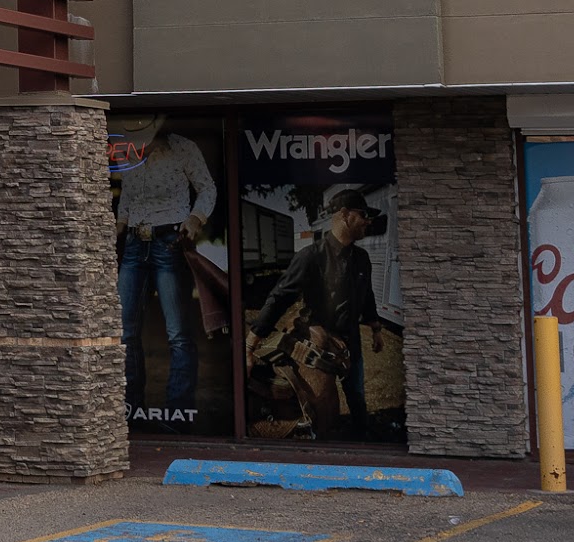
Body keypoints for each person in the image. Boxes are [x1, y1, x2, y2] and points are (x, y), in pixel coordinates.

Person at [245, 187, 386, 437]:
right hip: (318, 348)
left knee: (357, 395)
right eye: (363, 214)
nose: (368, 221)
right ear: (345, 214)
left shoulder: (362, 258)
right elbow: (280, 297)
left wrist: (376, 329)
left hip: (352, 342)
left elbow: (367, 296)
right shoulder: (310, 256)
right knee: (322, 407)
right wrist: (250, 344)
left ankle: (362, 435)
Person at [114, 115, 216, 419]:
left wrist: (195, 219)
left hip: (169, 241)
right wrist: (119, 225)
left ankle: (178, 410)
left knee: (178, 333)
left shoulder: (183, 148)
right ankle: (131, 407)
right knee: (124, 331)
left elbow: (207, 188)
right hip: (134, 243)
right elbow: (128, 194)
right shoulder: (125, 152)